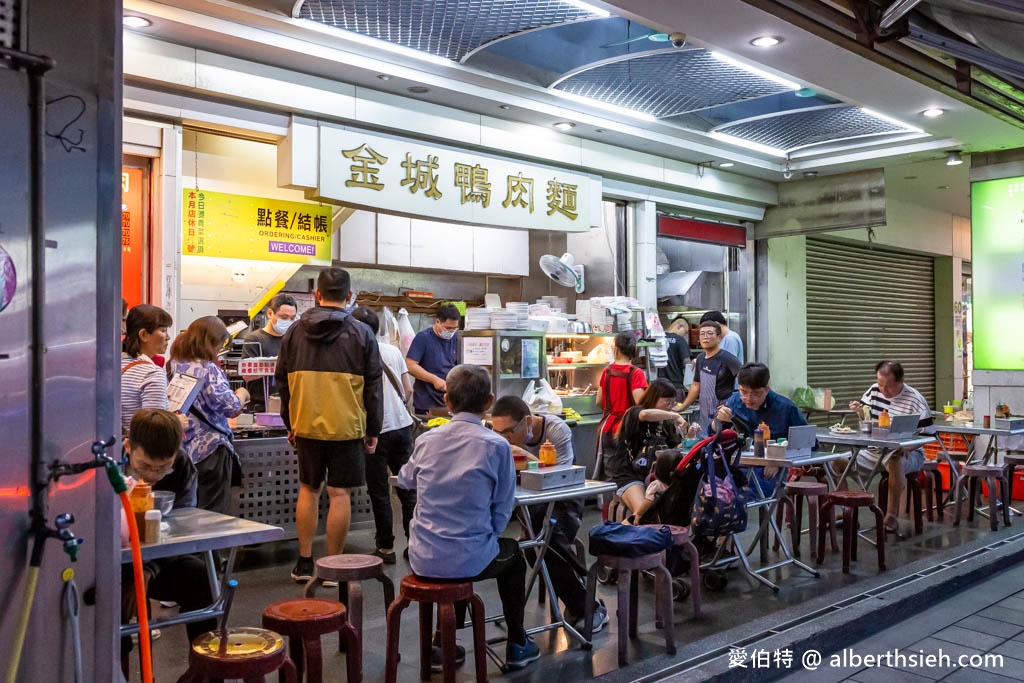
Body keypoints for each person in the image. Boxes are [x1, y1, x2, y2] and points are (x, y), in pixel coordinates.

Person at [396, 365, 540, 671]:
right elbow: (503, 507)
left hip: (422, 557)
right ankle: (517, 643)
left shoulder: (426, 440)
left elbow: (405, 480)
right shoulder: (497, 446)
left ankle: (442, 643)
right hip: (470, 556)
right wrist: (483, 536)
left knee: (460, 553)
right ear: (489, 402)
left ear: (447, 401)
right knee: (511, 555)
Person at [275, 268, 383, 583]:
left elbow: (282, 382)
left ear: (317, 295)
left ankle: (304, 563)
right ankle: (334, 566)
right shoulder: (363, 333)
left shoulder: (293, 332)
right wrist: (373, 429)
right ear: (349, 297)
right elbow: (373, 388)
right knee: (339, 494)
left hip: (306, 422)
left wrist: (290, 422)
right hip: (347, 425)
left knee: (308, 488)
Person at [490, 396, 609, 633]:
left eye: (508, 432)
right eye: (497, 433)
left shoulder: (556, 431)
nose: (504, 439)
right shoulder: (504, 438)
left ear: (526, 421)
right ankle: (584, 605)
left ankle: (586, 606)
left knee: (544, 544)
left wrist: (525, 456)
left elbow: (561, 478)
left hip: (564, 500)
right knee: (531, 545)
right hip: (530, 503)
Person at [119, 409, 211, 676]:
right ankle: (117, 670)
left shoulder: (182, 466)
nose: (153, 476)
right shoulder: (109, 467)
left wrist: (149, 569)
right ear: (128, 447)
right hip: (115, 562)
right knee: (112, 602)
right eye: (145, 466)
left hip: (158, 560)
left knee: (199, 576)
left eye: (162, 468)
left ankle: (203, 673)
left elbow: (182, 524)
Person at [351, 306, 416, 565]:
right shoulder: (392, 350)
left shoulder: (353, 354)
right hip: (402, 427)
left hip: (373, 431)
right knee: (407, 489)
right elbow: (408, 389)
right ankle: (414, 544)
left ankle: (385, 548)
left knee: (379, 491)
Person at [168, 316, 249, 514]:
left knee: (187, 510)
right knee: (212, 513)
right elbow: (230, 406)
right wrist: (242, 394)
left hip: (182, 450)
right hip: (210, 449)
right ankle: (210, 546)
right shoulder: (208, 369)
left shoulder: (173, 364)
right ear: (213, 342)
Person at [848, 360, 934, 532]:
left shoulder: (915, 400)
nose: (883, 390)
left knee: (896, 461)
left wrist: (908, 447)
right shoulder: (873, 391)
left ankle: (892, 516)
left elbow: (928, 436)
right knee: (838, 462)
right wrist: (859, 410)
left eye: (888, 386)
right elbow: (866, 419)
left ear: (901, 381)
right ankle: (847, 511)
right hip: (875, 451)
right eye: (880, 384)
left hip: (909, 453)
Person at [716, 362, 809, 496]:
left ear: (766, 389)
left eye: (756, 394)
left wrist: (777, 461)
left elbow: (807, 444)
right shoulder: (734, 402)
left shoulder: (785, 408)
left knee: (738, 496)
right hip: (737, 466)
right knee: (712, 489)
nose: (748, 398)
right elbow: (714, 433)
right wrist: (718, 421)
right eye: (744, 392)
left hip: (769, 471)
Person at [608, 379, 688, 518]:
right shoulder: (635, 413)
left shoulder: (666, 423)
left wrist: (690, 435)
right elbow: (644, 415)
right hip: (629, 475)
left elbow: (674, 449)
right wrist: (675, 415)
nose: (670, 406)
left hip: (656, 477)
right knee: (644, 513)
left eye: (673, 403)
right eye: (666, 402)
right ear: (653, 398)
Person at [595, 331, 649, 474]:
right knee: (628, 476)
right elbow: (640, 403)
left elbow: (599, 401)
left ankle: (610, 497)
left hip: (607, 429)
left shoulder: (607, 371)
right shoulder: (635, 373)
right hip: (627, 431)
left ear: (616, 349)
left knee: (610, 476)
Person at [679, 320, 742, 434]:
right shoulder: (701, 358)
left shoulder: (728, 359)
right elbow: (696, 386)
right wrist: (682, 407)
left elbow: (746, 381)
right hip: (704, 414)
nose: (705, 337)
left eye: (710, 333)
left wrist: (732, 403)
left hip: (722, 416)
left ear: (719, 337)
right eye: (702, 334)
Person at [121, 304, 173, 434]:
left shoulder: (114, 364)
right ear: (144, 335)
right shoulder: (151, 373)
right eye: (163, 330)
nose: (168, 337)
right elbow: (155, 431)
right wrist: (177, 423)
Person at [242, 293, 298, 413]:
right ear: (269, 313)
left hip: (290, 405)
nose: (288, 321)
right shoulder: (254, 340)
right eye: (284, 317)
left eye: (292, 318)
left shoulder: (295, 340)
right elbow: (247, 376)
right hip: (261, 406)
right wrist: (274, 364)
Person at [406, 304, 460, 414]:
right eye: (448, 328)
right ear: (437, 322)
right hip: (427, 404)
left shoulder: (457, 338)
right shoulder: (423, 338)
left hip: (451, 402)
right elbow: (410, 365)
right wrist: (434, 380)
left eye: (454, 328)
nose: (451, 332)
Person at [660, 317, 692, 400]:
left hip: (658, 387)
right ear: (680, 326)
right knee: (677, 411)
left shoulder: (658, 338)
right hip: (675, 386)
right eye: (685, 332)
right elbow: (687, 363)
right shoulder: (680, 340)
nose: (685, 335)